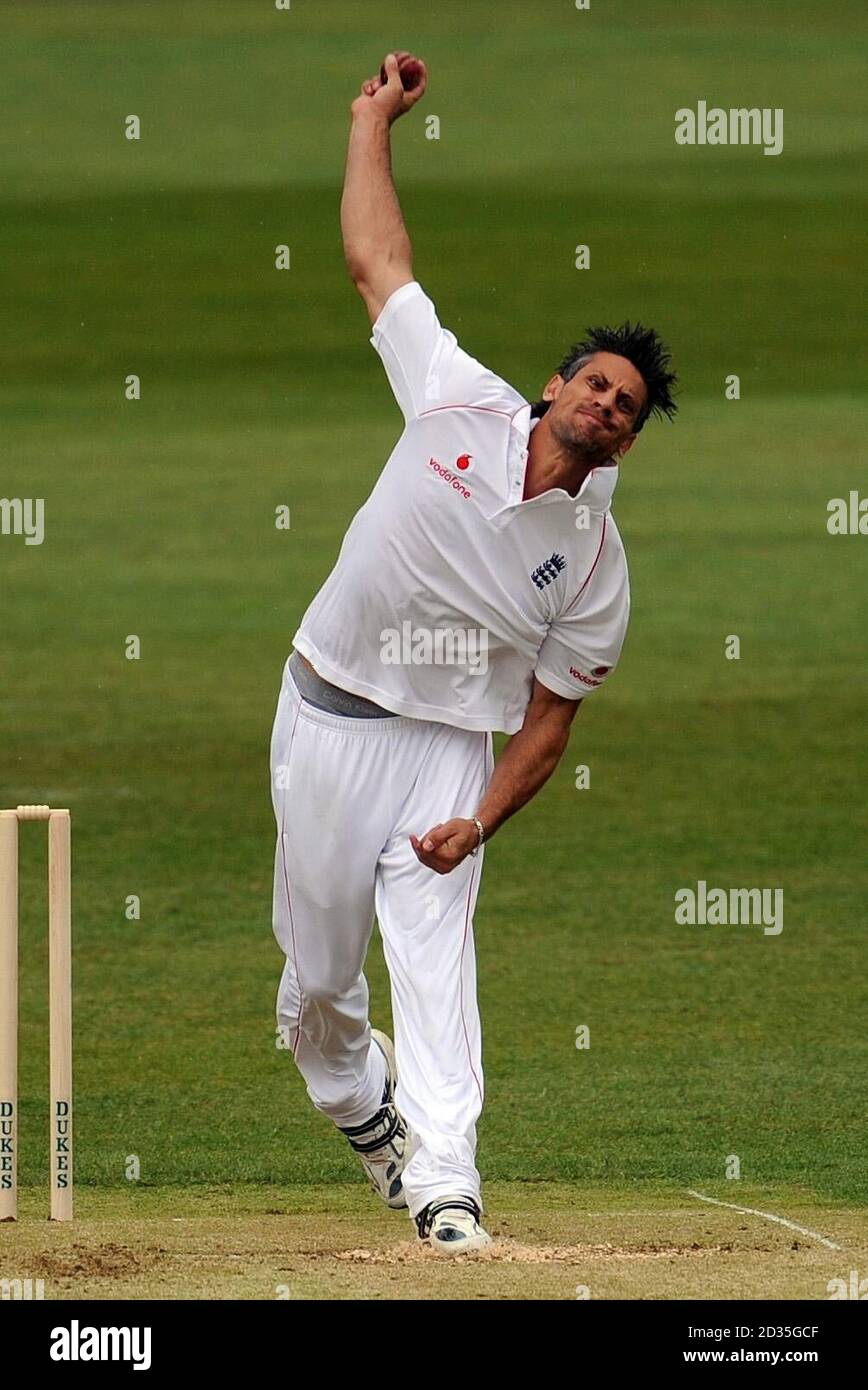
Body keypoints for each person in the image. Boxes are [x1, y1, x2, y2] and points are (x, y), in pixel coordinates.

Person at [270, 51, 678, 1255]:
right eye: (596, 384)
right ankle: (367, 1116)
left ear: (627, 446)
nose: (606, 405)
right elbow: (375, 261)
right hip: (325, 716)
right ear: (553, 386)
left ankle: (449, 1179)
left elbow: (548, 727)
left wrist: (479, 820)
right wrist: (369, 121)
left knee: (436, 953)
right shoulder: (453, 395)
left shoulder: (596, 565)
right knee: (317, 991)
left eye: (627, 409)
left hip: (450, 747)